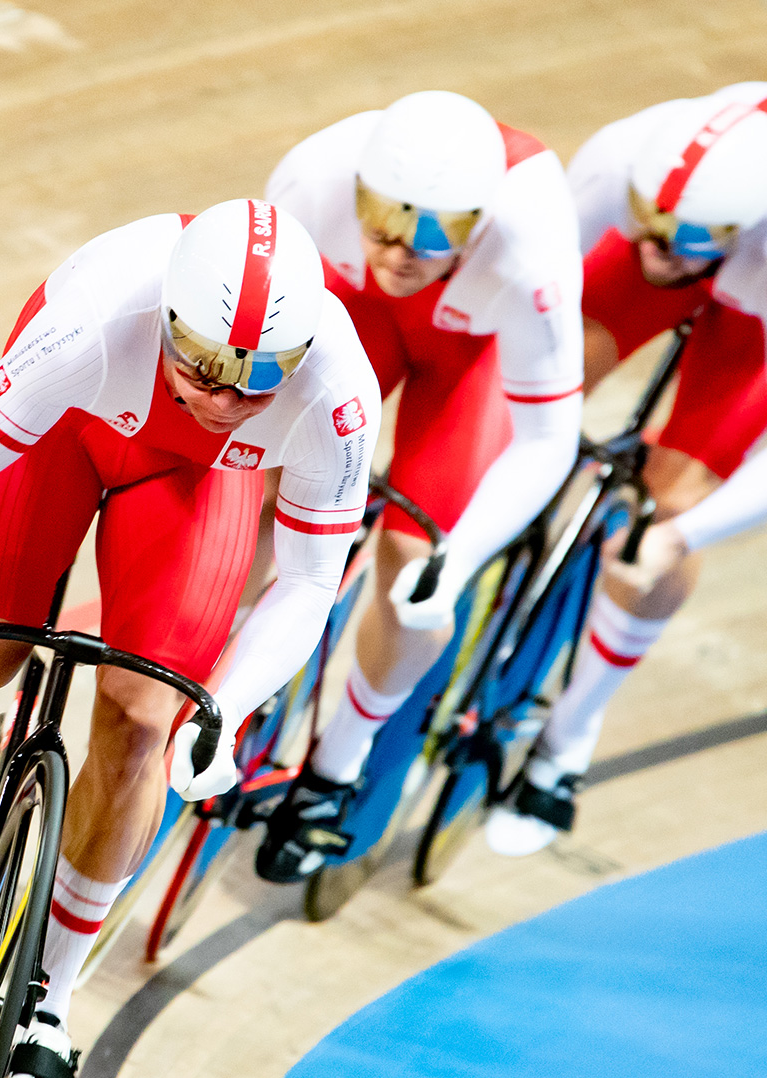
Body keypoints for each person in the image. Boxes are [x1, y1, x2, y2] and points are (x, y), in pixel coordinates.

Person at [0, 199, 380, 1078]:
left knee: (147, 721)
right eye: (203, 364)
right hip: (65, 433)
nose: (227, 396)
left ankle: (49, 998)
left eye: (259, 379)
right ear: (166, 319)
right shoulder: (93, 323)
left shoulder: (337, 396)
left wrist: (226, 710)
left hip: (193, 481)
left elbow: (314, 579)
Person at [483, 83, 767, 855]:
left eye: (678, 246)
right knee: (536, 387)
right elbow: (528, 293)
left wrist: (678, 537)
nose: (652, 253)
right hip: (702, 221)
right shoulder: (623, 164)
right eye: (646, 228)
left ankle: (566, 742)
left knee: (669, 504)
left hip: (758, 295)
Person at [255, 90, 586, 880]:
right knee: (263, 490)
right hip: (352, 318)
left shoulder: (533, 247)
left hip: (464, 361)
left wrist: (458, 557)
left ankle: (334, 769)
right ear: (357, 194)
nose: (404, 251)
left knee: (413, 566)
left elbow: (550, 437)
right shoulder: (310, 179)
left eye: (437, 237)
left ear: (481, 222)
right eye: (385, 225)